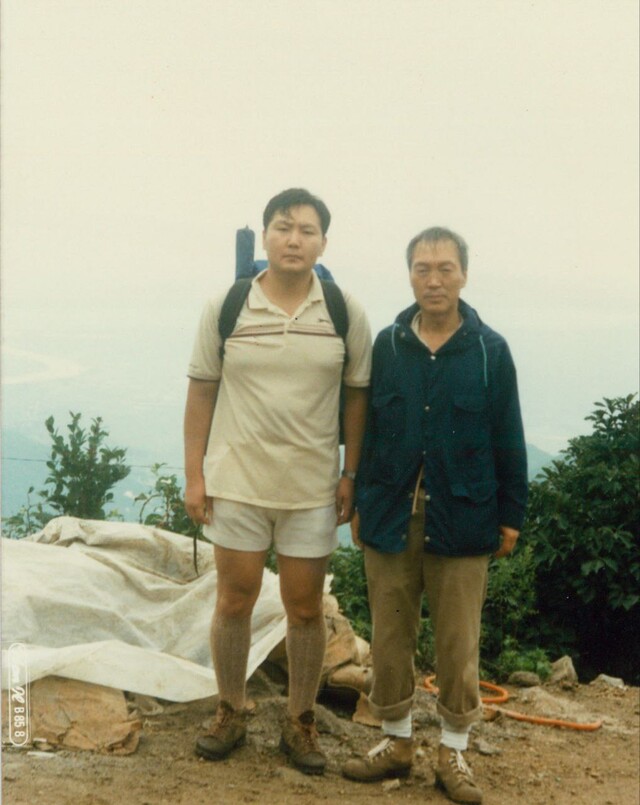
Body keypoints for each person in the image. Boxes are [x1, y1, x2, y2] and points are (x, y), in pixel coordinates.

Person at [184, 188, 371, 775]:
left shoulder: (343, 310)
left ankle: (300, 721)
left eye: (307, 230)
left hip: (311, 487)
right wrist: (195, 475)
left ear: (323, 242)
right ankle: (231, 709)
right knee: (234, 600)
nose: (295, 239)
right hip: (236, 479)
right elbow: (202, 390)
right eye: (284, 227)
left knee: (306, 609)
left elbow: (359, 396)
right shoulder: (228, 304)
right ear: (265, 236)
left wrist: (351, 473)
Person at [342, 227, 527, 803]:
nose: (434, 279)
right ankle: (395, 743)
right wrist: (362, 500)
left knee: (457, 641)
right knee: (390, 635)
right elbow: (368, 429)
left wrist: (511, 515)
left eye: (445, 268)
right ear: (410, 275)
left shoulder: (489, 350)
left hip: (465, 517)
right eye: (423, 268)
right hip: (391, 514)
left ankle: (453, 753)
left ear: (464, 275)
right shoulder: (389, 346)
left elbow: (508, 437)